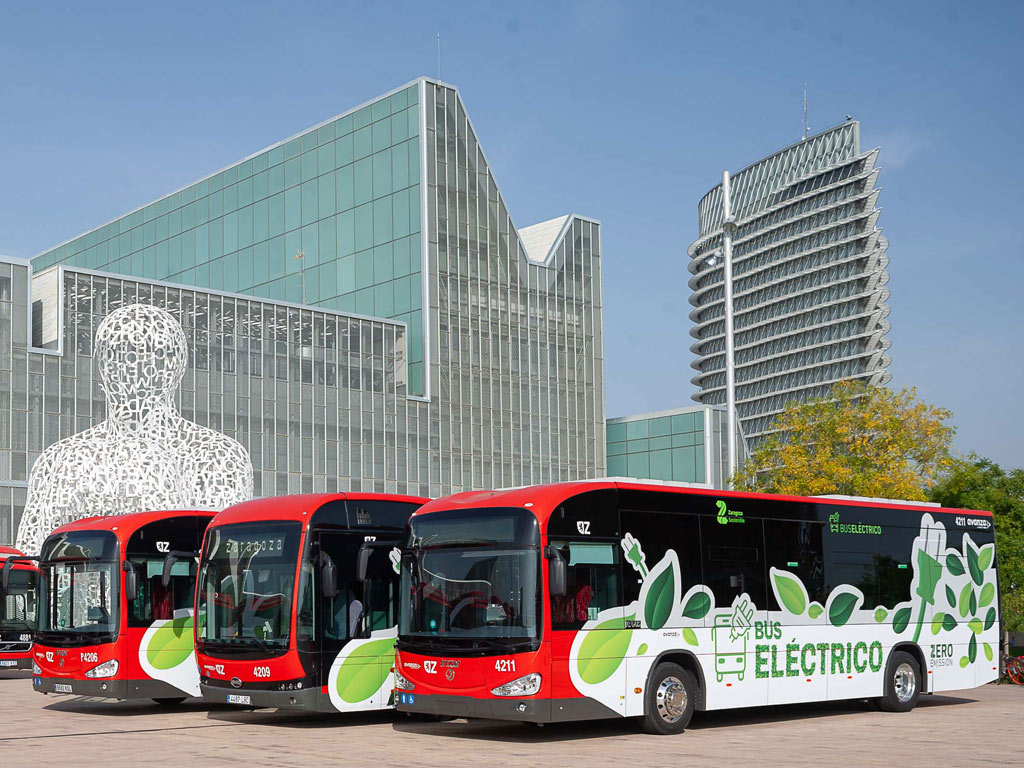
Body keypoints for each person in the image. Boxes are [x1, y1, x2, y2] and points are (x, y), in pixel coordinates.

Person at [17, 304, 253, 554]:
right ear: (101, 365)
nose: (135, 366)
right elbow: (28, 560)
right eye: (121, 352)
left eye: (157, 353)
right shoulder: (58, 461)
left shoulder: (219, 456)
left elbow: (224, 561)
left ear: (179, 364)